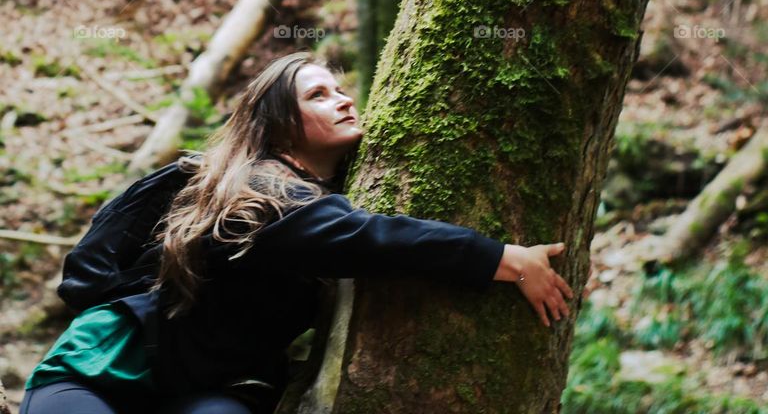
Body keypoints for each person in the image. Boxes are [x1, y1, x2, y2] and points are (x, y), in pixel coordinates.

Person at [20, 51, 574, 413]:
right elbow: (375, 239)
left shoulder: (314, 202)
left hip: (214, 392)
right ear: (280, 123)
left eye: (340, 89)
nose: (345, 99)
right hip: (102, 371)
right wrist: (505, 258)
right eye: (319, 95)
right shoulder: (255, 191)